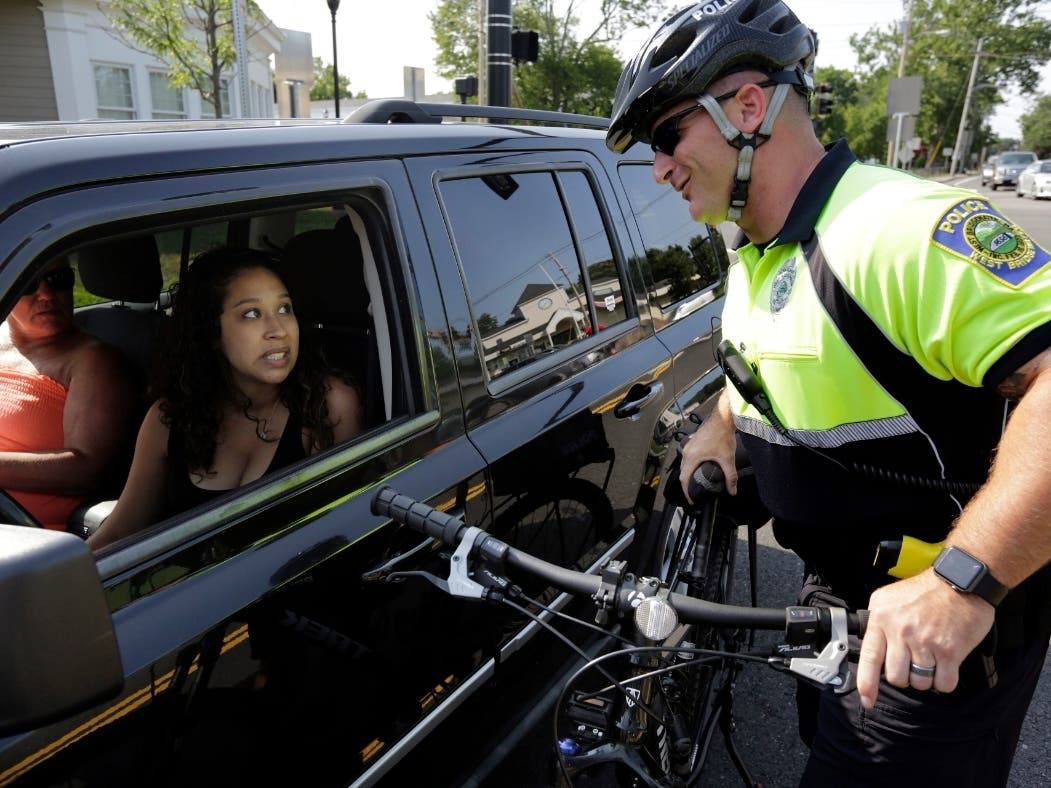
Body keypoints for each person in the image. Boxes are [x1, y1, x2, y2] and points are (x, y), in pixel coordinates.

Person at [606, 1, 1051, 786]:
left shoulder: (899, 227)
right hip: (834, 611)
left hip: (934, 630)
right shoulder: (760, 248)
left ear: (748, 106)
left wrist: (965, 580)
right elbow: (770, 366)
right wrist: (720, 422)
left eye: (668, 135)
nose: (659, 167)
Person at [87, 246, 362, 550]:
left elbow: (348, 530)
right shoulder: (168, 418)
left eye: (284, 309)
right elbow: (120, 532)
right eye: (251, 314)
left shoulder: (328, 404)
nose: (278, 330)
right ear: (212, 333)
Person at [0, 256, 140, 529]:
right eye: (28, 283)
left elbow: (88, 469)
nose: (46, 294)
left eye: (58, 280)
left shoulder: (92, 361)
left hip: (24, 533)